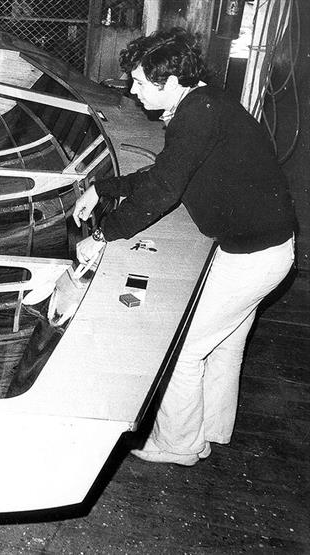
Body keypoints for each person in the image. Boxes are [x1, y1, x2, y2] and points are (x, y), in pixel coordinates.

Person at [73, 28, 296, 466]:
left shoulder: (197, 113)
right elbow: (169, 173)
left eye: (139, 82)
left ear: (171, 81)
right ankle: (212, 428)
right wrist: (106, 189)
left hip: (255, 255)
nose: (132, 91)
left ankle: (178, 445)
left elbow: (162, 189)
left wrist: (103, 235)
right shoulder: (204, 101)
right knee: (225, 340)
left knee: (183, 348)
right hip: (263, 246)